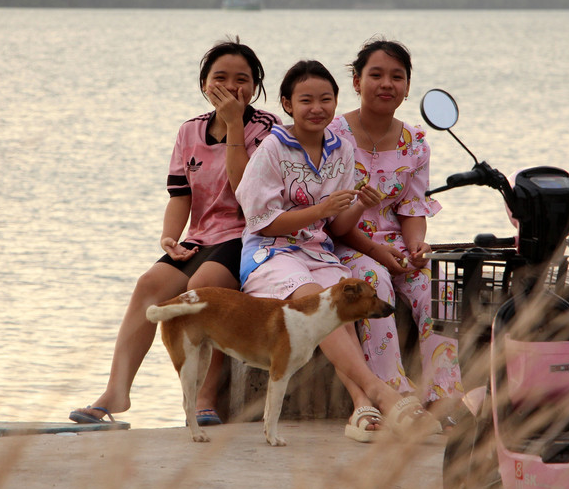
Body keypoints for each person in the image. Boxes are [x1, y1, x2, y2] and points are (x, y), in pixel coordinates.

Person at [70, 39, 277, 425]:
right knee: (149, 284)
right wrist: (170, 237)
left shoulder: (267, 129)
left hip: (247, 237)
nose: (232, 87)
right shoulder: (189, 132)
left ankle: (205, 395)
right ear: (203, 84)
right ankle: (116, 392)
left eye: (242, 80)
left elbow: (247, 191)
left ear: (255, 86)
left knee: (204, 289)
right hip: (200, 238)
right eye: (221, 78)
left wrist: (234, 124)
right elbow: (180, 196)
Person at [236, 59, 441, 442]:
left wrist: (360, 205)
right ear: (287, 104)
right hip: (272, 252)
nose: (317, 108)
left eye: (325, 99)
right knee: (317, 302)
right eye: (306, 100)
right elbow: (259, 220)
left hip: (317, 251)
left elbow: (337, 227)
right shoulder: (272, 148)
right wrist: (318, 211)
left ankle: (361, 406)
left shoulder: (340, 149)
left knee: (344, 302)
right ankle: (379, 393)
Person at [329, 38, 464, 425]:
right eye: (376, 75)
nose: (386, 84)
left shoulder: (416, 141)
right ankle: (397, 395)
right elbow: (330, 221)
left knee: (439, 286)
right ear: (356, 81)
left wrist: (416, 247)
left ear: (407, 86)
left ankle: (444, 396)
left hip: (394, 245)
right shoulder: (334, 134)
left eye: (397, 76)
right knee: (376, 284)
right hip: (346, 243)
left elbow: (412, 208)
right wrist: (375, 251)